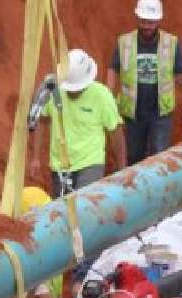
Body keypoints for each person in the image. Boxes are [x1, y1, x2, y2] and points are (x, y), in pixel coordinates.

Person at [107, 0, 182, 166]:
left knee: (159, 155)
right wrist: (109, 97)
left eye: (151, 22)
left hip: (160, 112)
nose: (147, 26)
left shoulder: (171, 43)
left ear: (158, 21)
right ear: (137, 18)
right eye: (144, 21)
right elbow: (113, 69)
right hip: (132, 112)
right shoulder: (124, 42)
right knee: (133, 155)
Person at [28, 48, 127, 197]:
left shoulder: (102, 96)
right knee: (62, 210)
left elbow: (115, 133)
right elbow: (42, 120)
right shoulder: (53, 90)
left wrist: (122, 168)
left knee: (84, 206)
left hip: (90, 163)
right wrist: (35, 157)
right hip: (60, 166)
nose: (73, 92)